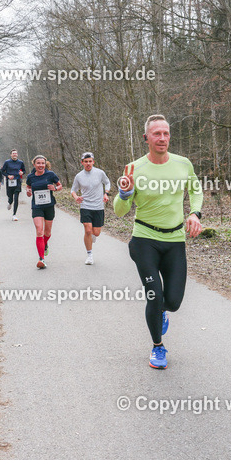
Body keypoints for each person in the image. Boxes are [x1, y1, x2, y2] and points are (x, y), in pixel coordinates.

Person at [114, 114, 203, 369]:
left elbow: (195, 190)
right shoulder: (134, 169)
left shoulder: (183, 164)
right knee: (154, 295)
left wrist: (195, 213)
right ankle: (157, 347)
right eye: (156, 134)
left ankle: (161, 311)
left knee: (172, 302)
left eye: (165, 133)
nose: (162, 138)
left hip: (175, 239)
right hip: (144, 239)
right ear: (146, 138)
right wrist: (125, 193)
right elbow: (120, 210)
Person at [70, 152, 111, 265]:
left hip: (98, 206)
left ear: (93, 162)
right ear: (82, 163)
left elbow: (107, 183)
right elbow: (73, 189)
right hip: (85, 205)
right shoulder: (79, 176)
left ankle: (91, 237)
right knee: (88, 230)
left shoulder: (100, 173)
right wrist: (76, 197)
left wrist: (106, 193)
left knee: (96, 233)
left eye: (90, 161)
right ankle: (90, 255)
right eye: (86, 161)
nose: (88, 163)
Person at [26, 155, 63, 269]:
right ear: (34, 164)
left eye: (42, 163)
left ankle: (45, 243)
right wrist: (28, 192)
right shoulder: (30, 177)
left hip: (49, 206)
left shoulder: (50, 175)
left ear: (45, 164)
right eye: (38, 163)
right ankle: (41, 259)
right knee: (39, 231)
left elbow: (60, 185)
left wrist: (55, 189)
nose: (40, 165)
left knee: (47, 233)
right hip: (37, 206)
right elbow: (28, 187)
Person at [0, 149, 26, 221]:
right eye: (13, 153)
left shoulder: (20, 162)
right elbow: (2, 171)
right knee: (10, 197)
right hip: (10, 182)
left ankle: (14, 214)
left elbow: (24, 171)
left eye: (16, 153)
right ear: (11, 155)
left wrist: (22, 173)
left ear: (17, 154)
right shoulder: (7, 162)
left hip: (17, 181)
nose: (14, 154)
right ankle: (10, 202)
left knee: (16, 198)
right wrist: (8, 176)